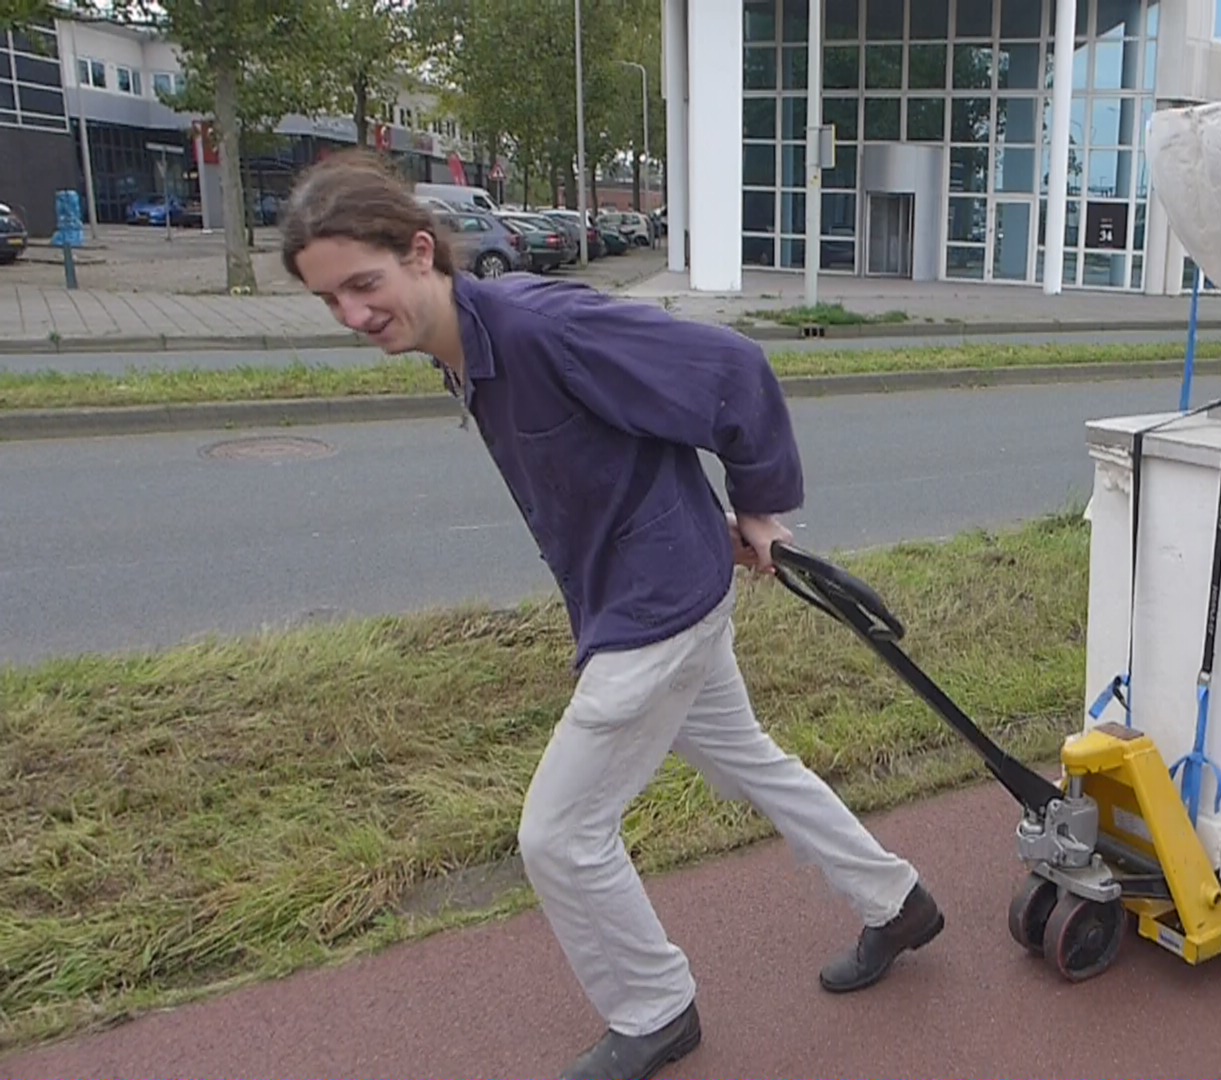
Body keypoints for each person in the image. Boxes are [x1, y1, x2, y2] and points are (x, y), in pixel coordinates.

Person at [277, 151, 944, 1080]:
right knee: (749, 760)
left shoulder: (538, 324)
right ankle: (896, 899)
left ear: (420, 251)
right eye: (329, 302)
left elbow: (731, 369)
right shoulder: (462, 350)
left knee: (559, 833)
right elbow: (622, 444)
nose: (353, 315)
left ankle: (655, 1010)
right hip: (657, 586)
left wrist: (758, 505)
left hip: (660, 607)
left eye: (363, 284)